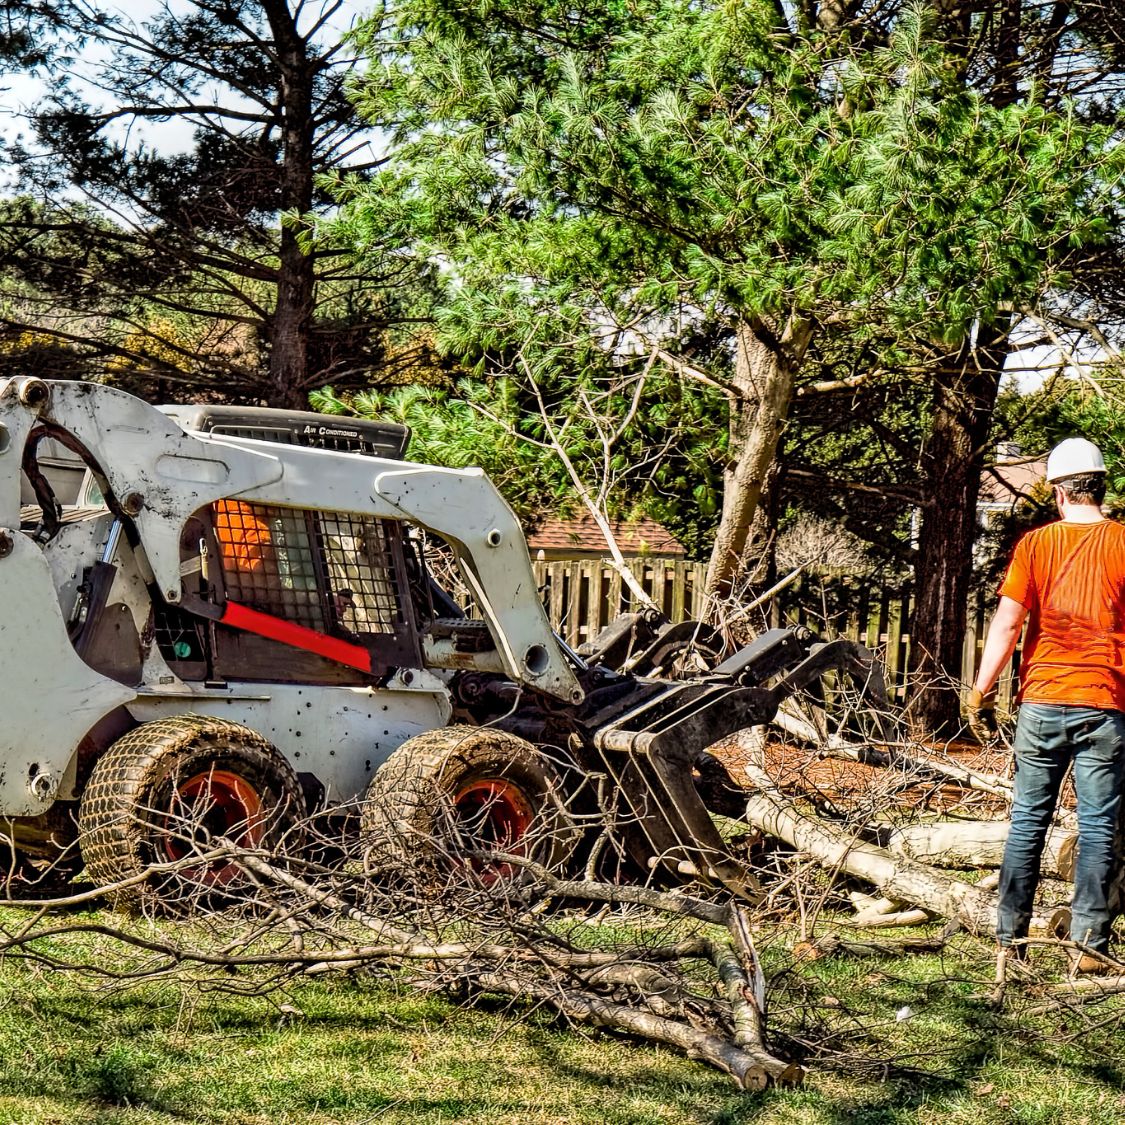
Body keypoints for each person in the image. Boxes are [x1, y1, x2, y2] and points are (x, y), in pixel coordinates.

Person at [968, 437, 1125, 974]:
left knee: (1028, 821)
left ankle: (1009, 940)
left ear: (1059, 492)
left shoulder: (1035, 546)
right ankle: (1089, 946)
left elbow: (1008, 623)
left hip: (1041, 701)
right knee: (1099, 825)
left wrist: (981, 687)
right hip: (1105, 702)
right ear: (1101, 486)